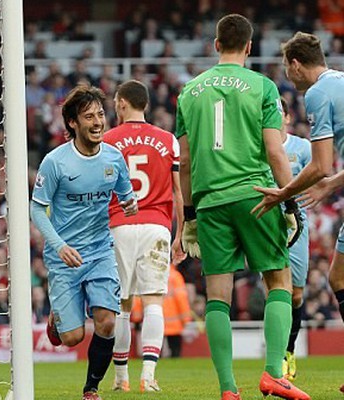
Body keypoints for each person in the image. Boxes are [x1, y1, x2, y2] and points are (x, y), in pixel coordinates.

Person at [175, 15, 310, 400]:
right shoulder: (262, 86)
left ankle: (228, 389)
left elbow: (183, 160)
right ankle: (273, 374)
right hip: (256, 196)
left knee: (218, 295)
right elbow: (274, 149)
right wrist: (288, 197)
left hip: (209, 201)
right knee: (278, 281)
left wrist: (189, 214)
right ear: (249, 47)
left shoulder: (188, 92)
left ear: (216, 45)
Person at [31, 85, 138, 400]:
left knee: (107, 322)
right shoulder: (56, 162)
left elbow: (126, 195)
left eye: (100, 114)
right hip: (64, 255)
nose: (97, 122)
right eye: (88, 116)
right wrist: (60, 246)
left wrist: (130, 204)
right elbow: (37, 209)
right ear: (73, 123)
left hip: (100, 251)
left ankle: (91, 389)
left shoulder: (114, 157)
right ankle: (58, 319)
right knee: (73, 337)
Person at [251, 31, 344, 389]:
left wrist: (284, 193)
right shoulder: (340, 81)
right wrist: (330, 185)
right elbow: (325, 174)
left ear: (295, 64)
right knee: (338, 278)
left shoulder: (318, 91)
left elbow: (320, 165)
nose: (288, 79)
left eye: (286, 70)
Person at [103, 79, 185, 393]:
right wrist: (180, 233)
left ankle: (121, 377)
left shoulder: (108, 140)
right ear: (146, 105)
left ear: (123, 103)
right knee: (152, 302)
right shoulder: (168, 140)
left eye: (115, 101)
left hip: (119, 225)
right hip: (156, 226)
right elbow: (178, 192)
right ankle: (148, 377)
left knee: (122, 304)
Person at [278, 98, 312, 382]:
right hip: (268, 223)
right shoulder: (257, 146)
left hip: (297, 225)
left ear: (287, 117)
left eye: (278, 112)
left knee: (297, 293)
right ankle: (277, 357)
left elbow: (317, 178)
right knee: (276, 290)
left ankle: (289, 349)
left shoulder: (302, 147)